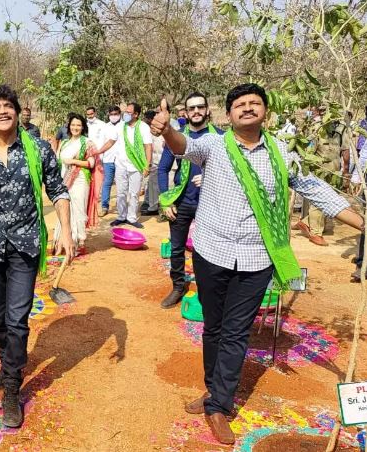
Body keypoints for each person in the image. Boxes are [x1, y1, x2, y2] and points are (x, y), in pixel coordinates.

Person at [149, 83, 363, 445]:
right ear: (229, 115)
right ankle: (212, 390)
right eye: (240, 105)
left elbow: (313, 188)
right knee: (213, 328)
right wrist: (168, 130)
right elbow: (185, 147)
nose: (247, 108)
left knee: (235, 331)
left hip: (257, 258)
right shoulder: (214, 145)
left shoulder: (282, 152)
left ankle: (219, 404)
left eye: (255, 103)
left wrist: (362, 222)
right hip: (211, 252)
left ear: (266, 111)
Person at [0, 84, 73, 429]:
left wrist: (64, 231)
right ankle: (8, 364)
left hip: (25, 247)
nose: (3, 111)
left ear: (18, 113)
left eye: (8, 106)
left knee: (17, 320)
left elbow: (58, 189)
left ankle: (10, 389)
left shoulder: (38, 149)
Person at [157, 92, 223, 308]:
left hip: (211, 203)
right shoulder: (176, 138)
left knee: (207, 250)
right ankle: (178, 286)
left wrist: (209, 176)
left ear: (207, 110)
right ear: (185, 112)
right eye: (191, 108)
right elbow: (163, 169)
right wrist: (166, 200)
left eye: (200, 107)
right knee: (176, 248)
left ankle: (208, 292)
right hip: (182, 201)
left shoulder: (222, 138)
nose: (196, 111)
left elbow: (230, 172)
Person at [296, 105, 350, 246]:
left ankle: (306, 222)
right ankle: (315, 232)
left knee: (329, 198)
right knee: (319, 200)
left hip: (334, 171)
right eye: (323, 111)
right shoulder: (317, 128)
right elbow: (308, 150)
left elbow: (345, 150)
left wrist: (345, 170)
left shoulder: (341, 128)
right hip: (318, 170)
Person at [97, 102, 152, 229]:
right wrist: (98, 151)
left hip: (137, 165)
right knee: (121, 192)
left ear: (136, 114)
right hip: (121, 165)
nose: (126, 114)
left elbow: (148, 146)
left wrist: (147, 165)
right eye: (125, 112)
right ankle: (121, 216)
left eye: (129, 112)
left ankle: (132, 218)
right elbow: (111, 141)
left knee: (134, 193)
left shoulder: (143, 127)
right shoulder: (121, 126)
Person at [53, 113, 99, 254]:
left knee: (78, 209)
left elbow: (91, 163)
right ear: (69, 126)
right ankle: (62, 239)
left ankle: (80, 241)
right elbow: (60, 161)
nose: (75, 127)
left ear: (83, 127)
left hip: (79, 179)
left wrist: (73, 161)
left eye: (78, 125)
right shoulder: (65, 142)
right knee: (65, 208)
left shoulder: (87, 143)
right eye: (73, 125)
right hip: (64, 180)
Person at [99, 105, 122, 217]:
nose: (113, 116)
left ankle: (120, 207)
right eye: (111, 114)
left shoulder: (124, 126)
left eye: (116, 114)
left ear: (120, 114)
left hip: (121, 160)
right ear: (108, 115)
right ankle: (104, 206)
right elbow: (102, 142)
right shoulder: (105, 127)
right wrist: (101, 157)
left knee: (121, 184)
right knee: (107, 183)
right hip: (108, 159)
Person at [140, 109, 164, 215]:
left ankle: (160, 206)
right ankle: (152, 206)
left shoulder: (162, 128)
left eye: (147, 119)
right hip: (153, 161)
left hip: (163, 161)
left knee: (163, 184)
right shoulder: (146, 130)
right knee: (152, 184)